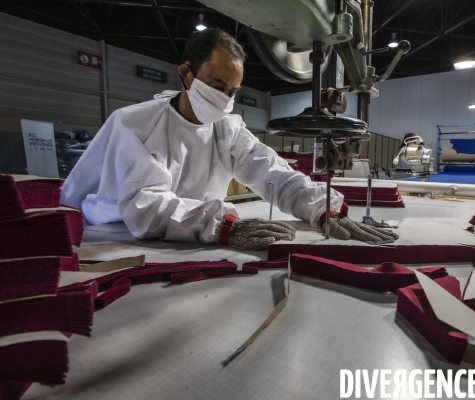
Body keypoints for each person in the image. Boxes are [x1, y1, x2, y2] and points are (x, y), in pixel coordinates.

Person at [61, 29, 398, 250]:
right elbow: (147, 208)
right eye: (218, 85)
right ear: (186, 73)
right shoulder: (135, 124)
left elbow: (272, 171)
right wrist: (225, 224)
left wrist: (323, 207)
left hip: (196, 239)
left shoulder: (227, 127)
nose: (224, 98)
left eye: (233, 91)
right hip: (117, 241)